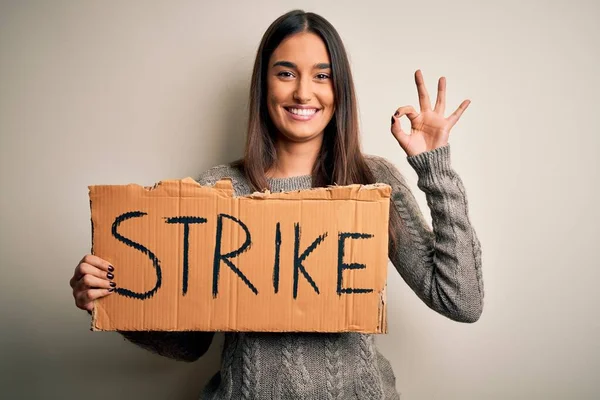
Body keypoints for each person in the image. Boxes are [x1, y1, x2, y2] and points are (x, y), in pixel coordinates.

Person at [69, 9, 483, 399]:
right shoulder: (217, 189)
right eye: (286, 73)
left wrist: (434, 168)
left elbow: (460, 301)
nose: (304, 91)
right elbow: (189, 345)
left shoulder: (371, 181)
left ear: (339, 89)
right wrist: (117, 297)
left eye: (322, 75)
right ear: (264, 84)